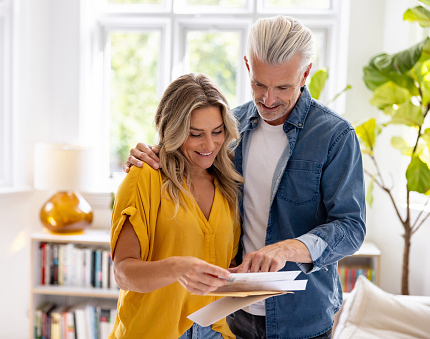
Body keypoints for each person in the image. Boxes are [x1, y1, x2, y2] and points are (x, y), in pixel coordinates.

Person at [123, 15, 366, 339]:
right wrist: (150, 153)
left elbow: (351, 227)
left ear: (305, 74)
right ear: (247, 65)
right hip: (232, 316)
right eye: (259, 84)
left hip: (302, 318)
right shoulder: (229, 128)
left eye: (283, 87)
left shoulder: (334, 136)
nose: (268, 100)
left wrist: (287, 249)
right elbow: (189, 152)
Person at [110, 73, 244, 339]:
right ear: (174, 131)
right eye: (195, 134)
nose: (210, 144)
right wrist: (177, 268)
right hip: (153, 331)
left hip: (215, 330)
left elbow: (221, 267)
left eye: (217, 132)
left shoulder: (228, 185)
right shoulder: (144, 176)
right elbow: (123, 272)